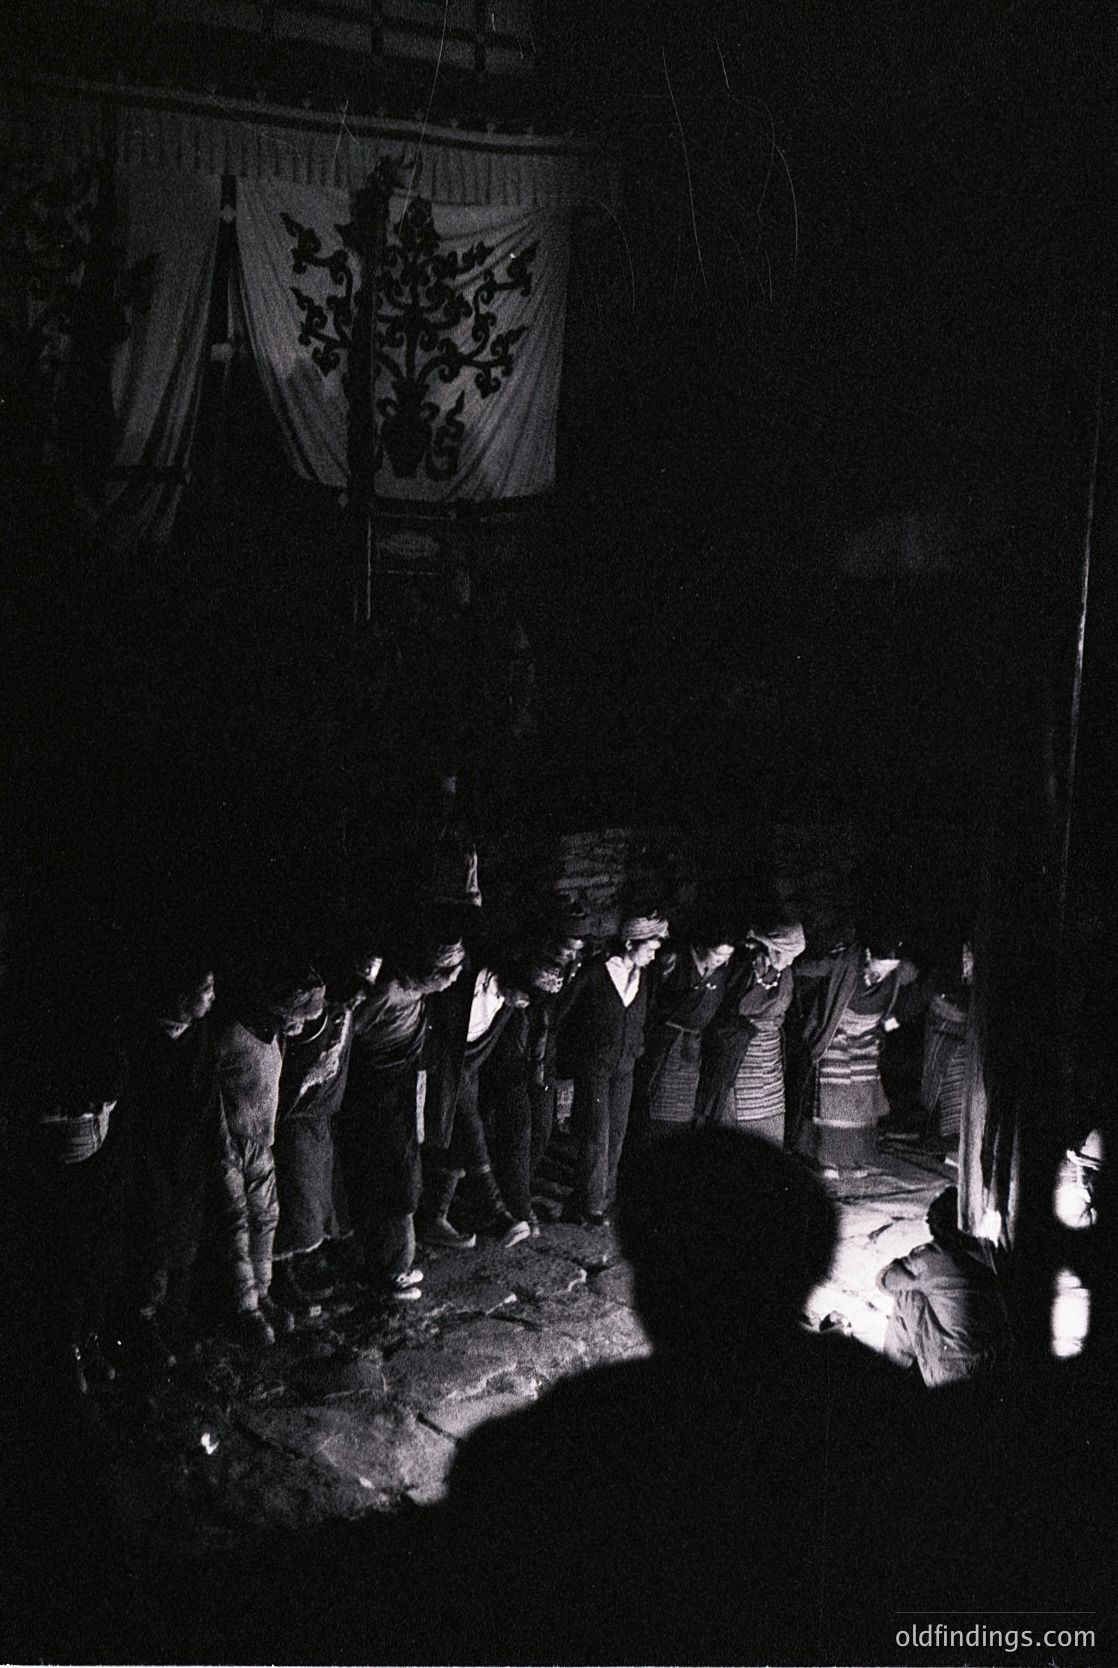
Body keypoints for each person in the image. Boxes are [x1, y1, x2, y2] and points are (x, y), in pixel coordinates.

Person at [341, 931, 468, 1289]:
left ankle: (388, 1263)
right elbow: (353, 1033)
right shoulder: (388, 993)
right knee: (396, 1181)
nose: (455, 978)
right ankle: (394, 1269)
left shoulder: (416, 992)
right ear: (431, 973)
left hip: (402, 1084)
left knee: (402, 1173)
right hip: (379, 1088)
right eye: (450, 972)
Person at [211, 964, 326, 1345]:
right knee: (235, 1224)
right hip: (228, 1142)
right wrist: (222, 1140)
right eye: (294, 1018)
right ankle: (243, 1308)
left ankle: (263, 1293)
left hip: (261, 1141)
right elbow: (210, 1090)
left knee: (265, 1218)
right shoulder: (231, 1034)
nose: (299, 1027)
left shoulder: (275, 1037)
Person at [271, 934, 382, 1313]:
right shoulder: (306, 1020)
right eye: (353, 990)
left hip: (322, 1120)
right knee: (295, 1200)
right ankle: (283, 1273)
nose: (358, 998)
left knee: (321, 1195)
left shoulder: (346, 1012)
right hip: (294, 1121)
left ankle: (314, 1259)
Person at [116, 953, 217, 1368]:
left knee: (184, 1238)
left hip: (189, 1155)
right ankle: (141, 1326)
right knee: (149, 1243)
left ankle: (173, 1315)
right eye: (205, 991)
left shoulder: (199, 1034)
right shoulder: (140, 1040)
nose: (212, 998)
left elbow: (208, 1095)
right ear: (178, 996)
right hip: (149, 1158)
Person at [419, 944, 534, 1249]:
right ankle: (495, 1214)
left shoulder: (508, 1001)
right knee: (470, 1132)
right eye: (522, 994)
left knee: (458, 1139)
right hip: (438, 1068)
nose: (523, 1003)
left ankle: (434, 1217)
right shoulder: (469, 982)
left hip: (465, 1071)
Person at [559, 911, 668, 1224]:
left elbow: (643, 1015)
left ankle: (602, 1198)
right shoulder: (595, 973)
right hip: (594, 1066)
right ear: (630, 943)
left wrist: (636, 1048)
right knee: (596, 1133)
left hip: (624, 1067)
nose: (652, 956)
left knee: (617, 1133)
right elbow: (564, 1014)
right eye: (649, 950)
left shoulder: (643, 976)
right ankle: (590, 1206)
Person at [794, 926, 918, 1176]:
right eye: (882, 966)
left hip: (868, 1038)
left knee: (862, 1103)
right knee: (834, 1099)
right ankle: (827, 1160)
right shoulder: (845, 961)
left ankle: (855, 1159)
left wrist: (888, 1025)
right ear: (870, 956)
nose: (885, 973)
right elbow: (805, 968)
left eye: (891, 968)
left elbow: (912, 992)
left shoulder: (897, 972)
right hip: (836, 1034)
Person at [879, 1186, 1014, 1385]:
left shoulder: (931, 1258)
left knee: (907, 1295)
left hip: (953, 1374)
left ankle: (894, 1374)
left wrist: (900, 1265)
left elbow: (885, 1281)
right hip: (995, 1363)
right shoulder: (988, 1251)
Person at [693, 918, 806, 1144]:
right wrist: (767, 978)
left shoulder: (785, 971)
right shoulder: (746, 966)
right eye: (786, 954)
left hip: (770, 1052)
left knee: (769, 1114)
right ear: (772, 948)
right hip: (740, 1052)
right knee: (736, 1114)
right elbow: (736, 1007)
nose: (790, 960)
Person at [631, 922, 737, 1140]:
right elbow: (650, 1001)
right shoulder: (674, 961)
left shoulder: (721, 969)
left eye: (727, 956)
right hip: (665, 1045)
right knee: (656, 1107)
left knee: (682, 1114)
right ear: (702, 948)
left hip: (691, 1048)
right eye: (717, 955)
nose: (721, 961)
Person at [918, 940, 972, 1152]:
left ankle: (951, 1141)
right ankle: (936, 1139)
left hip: (966, 1026)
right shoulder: (947, 958)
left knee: (959, 1087)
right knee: (938, 1080)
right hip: (944, 1019)